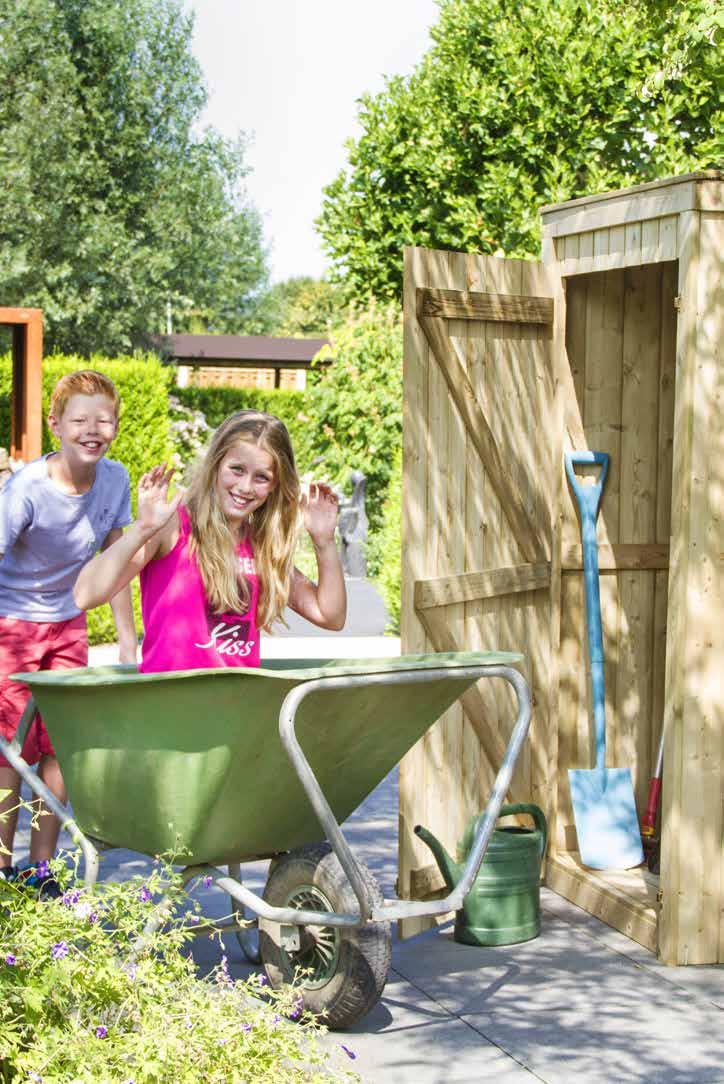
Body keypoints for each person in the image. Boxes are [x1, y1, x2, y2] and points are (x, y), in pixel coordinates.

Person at [73, 410, 346, 675]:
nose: (245, 487)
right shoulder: (172, 527)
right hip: (169, 707)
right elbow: (85, 595)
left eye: (261, 477)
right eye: (237, 470)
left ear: (275, 485)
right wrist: (141, 529)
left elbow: (330, 616)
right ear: (216, 464)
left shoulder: (262, 546)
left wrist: (323, 542)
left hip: (234, 709)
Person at [0, 370, 137, 892]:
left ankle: (39, 868)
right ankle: (1, 865)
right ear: (56, 424)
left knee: (60, 746)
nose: (92, 429)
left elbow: (117, 561)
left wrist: (127, 639)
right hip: (12, 623)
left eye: (104, 419)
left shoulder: (115, 479)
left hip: (68, 624)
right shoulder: (27, 488)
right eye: (80, 419)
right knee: (11, 748)